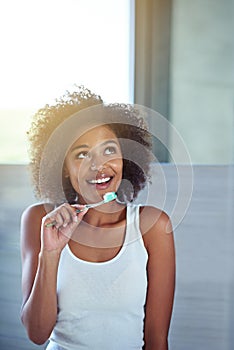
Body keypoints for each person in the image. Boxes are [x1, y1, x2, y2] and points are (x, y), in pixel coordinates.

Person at [20, 85, 175, 350]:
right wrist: (51, 252)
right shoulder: (41, 220)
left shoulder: (153, 227)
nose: (98, 165)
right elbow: (37, 334)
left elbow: (157, 340)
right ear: (64, 167)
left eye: (109, 150)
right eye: (82, 154)